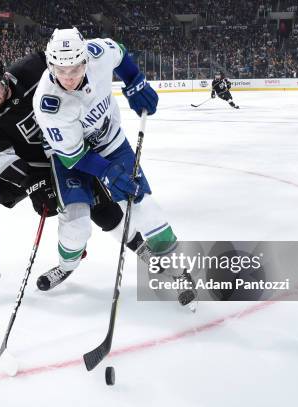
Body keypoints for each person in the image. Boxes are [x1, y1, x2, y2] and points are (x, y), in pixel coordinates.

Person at [0, 53, 151, 300]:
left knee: (101, 211)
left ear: (5, 78)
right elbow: (0, 159)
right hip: (28, 168)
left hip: (68, 157)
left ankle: (144, 252)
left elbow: (69, 67)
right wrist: (33, 184)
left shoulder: (32, 68)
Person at [32, 28, 196, 306]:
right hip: (71, 159)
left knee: (144, 207)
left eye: (75, 67)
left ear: (85, 59)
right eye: (61, 69)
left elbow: (119, 52)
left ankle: (179, 271)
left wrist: (135, 82)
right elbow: (74, 157)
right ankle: (67, 265)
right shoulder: (48, 104)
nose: (69, 77)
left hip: (111, 142)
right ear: (50, 65)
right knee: (77, 226)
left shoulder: (97, 53)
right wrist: (106, 172)